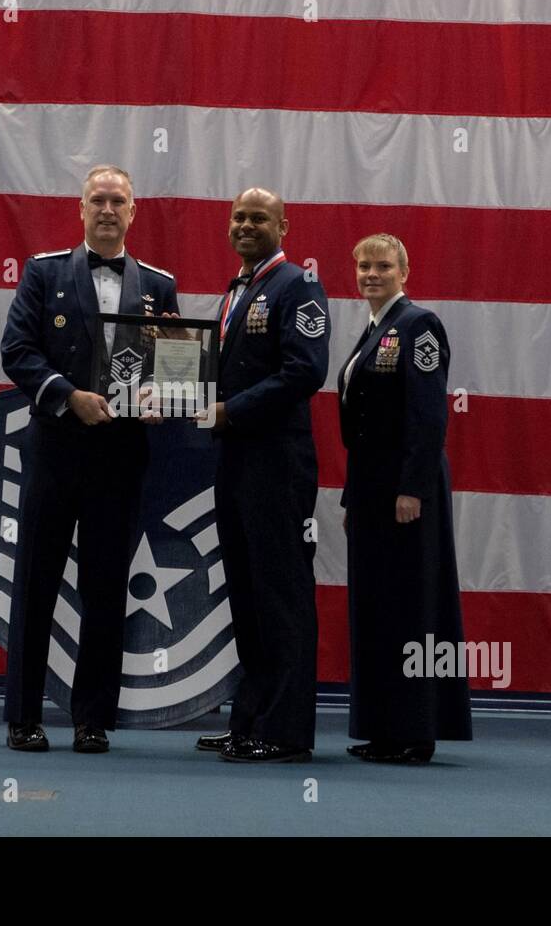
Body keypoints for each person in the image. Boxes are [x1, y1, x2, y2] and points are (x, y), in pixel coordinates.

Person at [0, 165, 179, 753]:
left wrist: (163, 397)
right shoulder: (43, 271)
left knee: (106, 589)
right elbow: (17, 351)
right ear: (81, 209)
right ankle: (24, 716)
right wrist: (67, 397)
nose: (107, 210)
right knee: (36, 585)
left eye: (118, 201)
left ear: (134, 211)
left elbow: (175, 366)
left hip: (121, 457)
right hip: (57, 450)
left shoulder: (160, 284)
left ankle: (92, 716)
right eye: (97, 200)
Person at [194, 188, 329, 763]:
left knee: (280, 596)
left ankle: (284, 729)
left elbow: (306, 371)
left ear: (284, 225)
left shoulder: (298, 287)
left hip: (278, 461)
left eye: (259, 218)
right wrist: (177, 399)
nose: (246, 225)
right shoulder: (236, 289)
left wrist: (231, 410)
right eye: (239, 217)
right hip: (237, 459)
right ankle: (249, 719)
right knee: (246, 597)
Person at [337, 233, 472, 764]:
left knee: (413, 606)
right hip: (372, 489)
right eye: (364, 266)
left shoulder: (418, 326)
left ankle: (416, 730)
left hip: (406, 489)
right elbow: (362, 431)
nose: (371, 274)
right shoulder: (372, 330)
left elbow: (428, 414)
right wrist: (353, 496)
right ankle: (383, 726)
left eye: (383, 266)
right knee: (377, 607)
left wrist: (411, 489)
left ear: (405, 270)